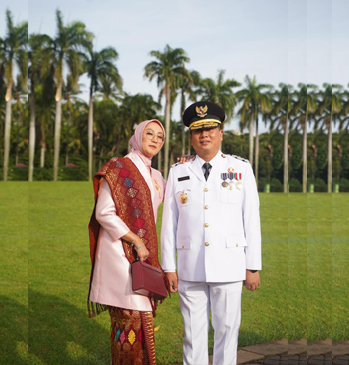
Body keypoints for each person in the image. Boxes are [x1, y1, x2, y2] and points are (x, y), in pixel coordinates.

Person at [161, 101, 262, 365]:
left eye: (210, 128)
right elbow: (169, 222)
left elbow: (251, 219)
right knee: (193, 336)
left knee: (227, 333)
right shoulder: (178, 171)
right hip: (189, 266)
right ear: (191, 137)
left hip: (229, 265)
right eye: (198, 130)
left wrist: (252, 266)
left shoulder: (241, 168)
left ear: (221, 132)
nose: (204, 134)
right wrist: (168, 267)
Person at [88, 119, 170, 365]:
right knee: (128, 319)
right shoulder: (120, 167)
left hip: (142, 258)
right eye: (150, 133)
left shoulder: (157, 176)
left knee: (139, 321)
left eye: (160, 136)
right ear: (137, 136)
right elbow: (103, 212)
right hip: (119, 254)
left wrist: (186, 167)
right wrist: (136, 240)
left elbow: (179, 196)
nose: (155, 139)